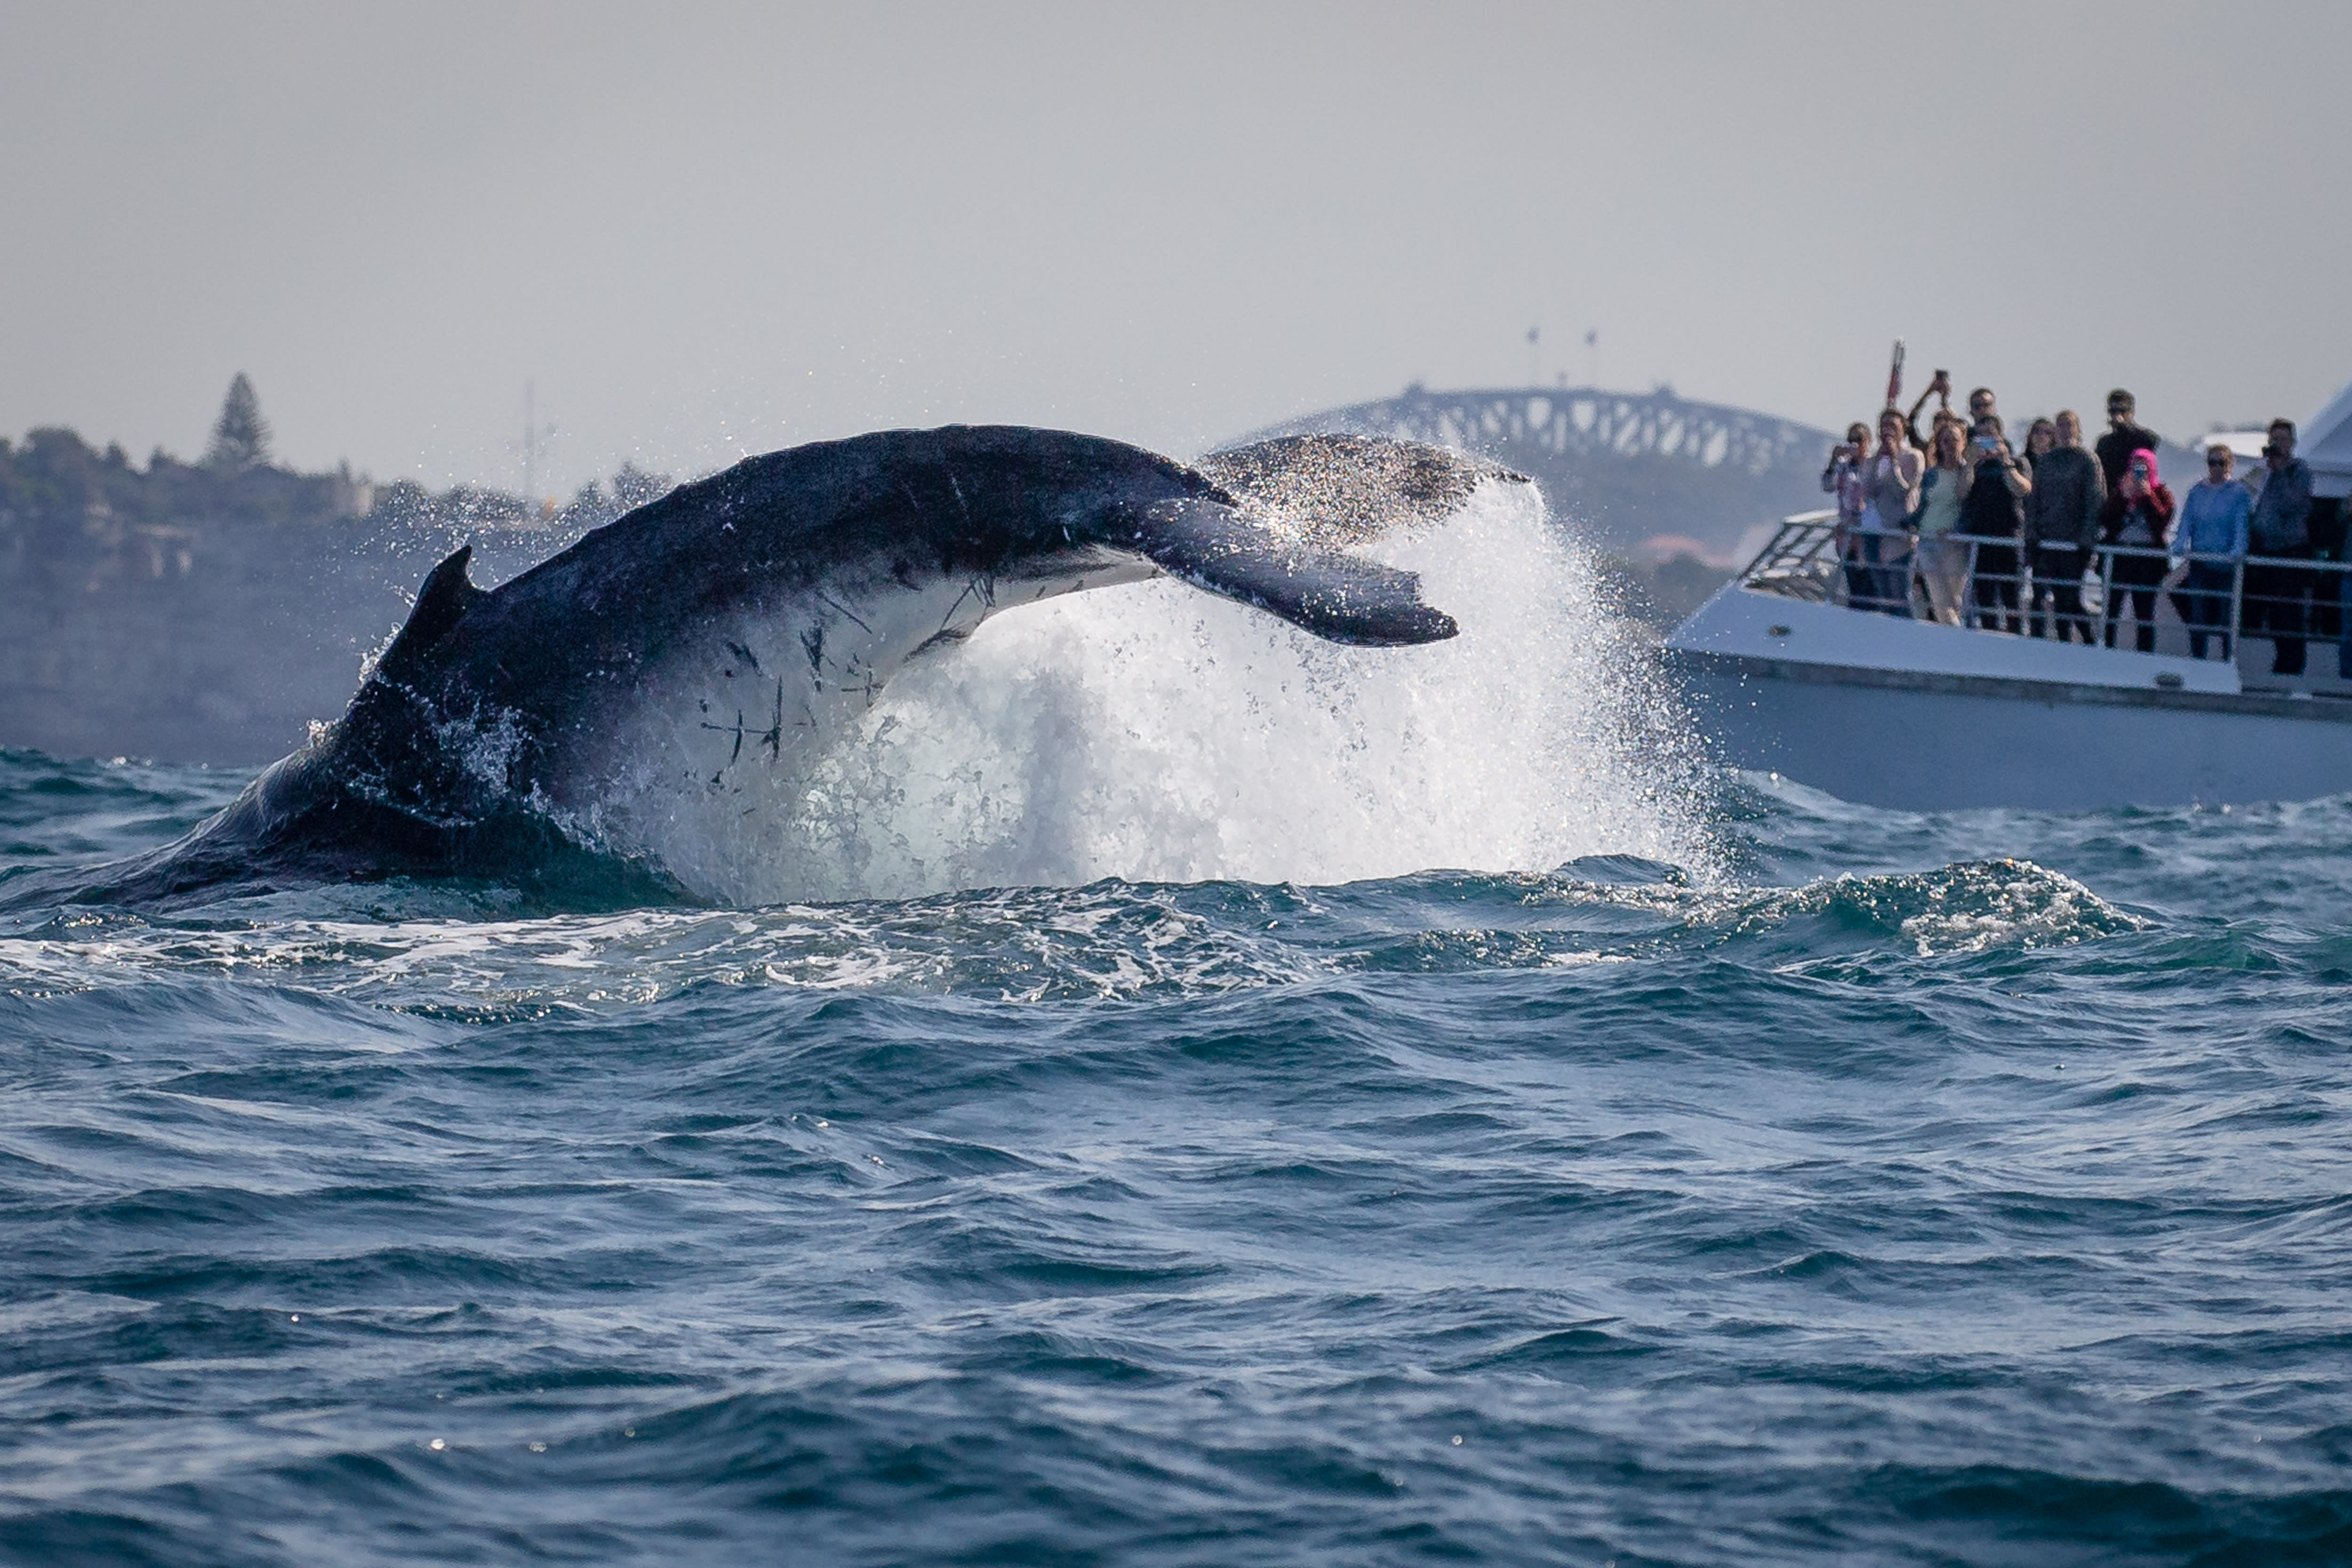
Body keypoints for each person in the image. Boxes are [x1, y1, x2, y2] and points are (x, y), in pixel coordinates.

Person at [2023, 410, 2105, 642]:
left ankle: (2087, 641)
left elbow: (2094, 501)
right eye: (2060, 426)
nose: (2065, 430)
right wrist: (2032, 536)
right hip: (2046, 542)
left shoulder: (2088, 460)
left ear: (2078, 430)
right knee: (2040, 595)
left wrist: (2087, 541)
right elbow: (2034, 500)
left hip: (2074, 545)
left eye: (2069, 426)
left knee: (2068, 599)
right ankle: (2038, 643)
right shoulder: (2046, 461)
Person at [2245, 417, 2315, 674]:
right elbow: (2247, 497)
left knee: (2290, 614)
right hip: (2266, 551)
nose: (2278, 445)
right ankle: (2280, 663)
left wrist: (2282, 470)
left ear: (2293, 443)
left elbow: (2293, 505)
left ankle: (2292, 667)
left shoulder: (2300, 472)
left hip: (2291, 552)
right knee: (2273, 614)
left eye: (2282, 440)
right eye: (2274, 440)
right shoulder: (2264, 472)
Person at [2169, 443, 2251, 660]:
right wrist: (2179, 544)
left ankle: (2227, 662)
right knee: (2198, 616)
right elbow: (2187, 520)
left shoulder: (2238, 493)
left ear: (2229, 465)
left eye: (2221, 463)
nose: (2216, 467)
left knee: (2226, 617)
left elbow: (2241, 525)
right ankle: (2198, 661)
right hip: (2200, 563)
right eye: (2212, 462)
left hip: (2226, 566)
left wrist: (2237, 550)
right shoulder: (2198, 491)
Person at [1956, 413, 2031, 633]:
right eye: (1982, 438)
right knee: (1985, 597)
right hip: (1981, 537)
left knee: (2011, 595)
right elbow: (1961, 493)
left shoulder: (2017, 462)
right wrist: (1970, 463)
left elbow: (2023, 489)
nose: (1987, 443)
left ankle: (2016, 638)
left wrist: (2005, 461)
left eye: (1991, 437)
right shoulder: (1973, 467)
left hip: (2008, 537)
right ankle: (1989, 637)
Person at [2100, 447, 2175, 653]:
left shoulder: (2162, 493)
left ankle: (2145, 654)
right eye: (2136, 465)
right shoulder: (2122, 489)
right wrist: (2124, 498)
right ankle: (2105, 648)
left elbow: (2162, 522)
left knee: (2144, 611)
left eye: (2144, 466)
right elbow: (2106, 521)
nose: (2139, 470)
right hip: (2121, 556)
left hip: (2147, 560)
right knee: (2112, 607)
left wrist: (2147, 496)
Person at [1860, 406, 1924, 615]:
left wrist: (1895, 460)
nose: (1887, 431)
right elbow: (1868, 491)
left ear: (1902, 429)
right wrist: (1879, 459)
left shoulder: (1913, 457)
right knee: (1882, 591)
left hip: (1898, 533)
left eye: (1892, 426)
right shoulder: (1873, 460)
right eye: (1883, 426)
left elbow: (1903, 491)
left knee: (1900, 591)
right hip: (1873, 530)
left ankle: (1906, 632)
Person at [1909, 422, 1973, 626]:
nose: (1949, 444)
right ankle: (1954, 642)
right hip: (1928, 540)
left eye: (1954, 439)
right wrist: (1912, 524)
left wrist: (1956, 530)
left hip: (1954, 544)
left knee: (1956, 601)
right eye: (1944, 440)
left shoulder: (1968, 473)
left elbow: (1969, 505)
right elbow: (1923, 506)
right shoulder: (1932, 474)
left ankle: (1955, 642)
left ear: (1963, 442)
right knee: (1940, 602)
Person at [1821, 422, 1874, 606]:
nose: (1855, 445)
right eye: (1851, 440)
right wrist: (1833, 461)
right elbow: (1828, 486)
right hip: (1846, 535)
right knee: (1852, 579)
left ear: (1868, 442)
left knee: (1867, 580)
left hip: (1866, 534)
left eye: (1859, 440)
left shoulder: (1873, 465)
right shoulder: (1843, 467)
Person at [2094, 389, 2164, 493]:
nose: (2117, 415)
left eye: (2122, 411)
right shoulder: (2104, 443)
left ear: (2131, 412)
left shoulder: (2141, 439)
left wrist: (2125, 427)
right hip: (2113, 499)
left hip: (2137, 498)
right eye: (2113, 411)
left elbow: (2153, 442)